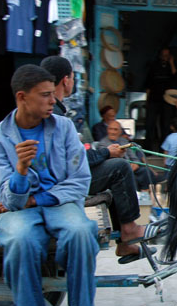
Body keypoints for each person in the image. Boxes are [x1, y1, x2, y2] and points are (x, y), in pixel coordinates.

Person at [0, 65, 115, 306]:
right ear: (23, 97)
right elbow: (9, 198)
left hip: (59, 204)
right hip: (23, 212)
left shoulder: (62, 128)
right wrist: (20, 171)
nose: (53, 100)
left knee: (80, 234)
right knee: (19, 242)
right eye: (45, 95)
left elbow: (79, 181)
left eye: (53, 94)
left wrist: (38, 197)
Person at [42, 56, 158, 264]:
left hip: (57, 177)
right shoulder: (55, 114)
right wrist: (106, 153)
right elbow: (74, 161)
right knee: (119, 168)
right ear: (66, 81)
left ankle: (125, 243)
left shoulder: (53, 112)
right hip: (61, 182)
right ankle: (130, 231)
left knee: (114, 174)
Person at [99, 121, 163, 192]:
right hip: (117, 169)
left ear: (120, 132)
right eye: (110, 129)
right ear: (107, 130)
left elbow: (134, 157)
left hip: (131, 168)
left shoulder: (124, 141)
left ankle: (146, 194)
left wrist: (135, 163)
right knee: (131, 179)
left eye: (115, 129)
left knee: (146, 172)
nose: (112, 132)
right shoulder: (103, 144)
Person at [145, 47, 177, 151]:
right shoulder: (154, 66)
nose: (165, 57)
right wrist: (147, 99)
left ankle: (163, 150)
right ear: (160, 55)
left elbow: (176, 77)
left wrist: (171, 62)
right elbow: (148, 83)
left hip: (167, 101)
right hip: (154, 99)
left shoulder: (172, 66)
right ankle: (148, 149)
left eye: (167, 55)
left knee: (166, 125)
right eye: (163, 55)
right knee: (150, 124)